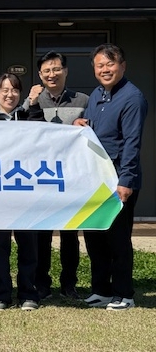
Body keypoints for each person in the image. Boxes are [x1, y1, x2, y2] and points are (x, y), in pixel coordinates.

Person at [74, 44, 147, 310]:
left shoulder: (132, 98)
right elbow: (94, 129)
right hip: (96, 177)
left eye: (110, 64)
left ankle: (124, 294)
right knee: (95, 236)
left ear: (122, 66)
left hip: (118, 179)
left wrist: (126, 180)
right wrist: (81, 123)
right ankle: (101, 290)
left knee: (117, 238)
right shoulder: (97, 94)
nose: (105, 69)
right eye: (100, 65)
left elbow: (132, 143)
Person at [24, 51, 89, 300]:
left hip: (72, 177)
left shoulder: (83, 99)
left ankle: (69, 284)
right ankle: (42, 283)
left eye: (56, 69)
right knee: (42, 234)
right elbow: (18, 126)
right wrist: (29, 102)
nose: (52, 74)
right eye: (46, 71)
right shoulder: (34, 100)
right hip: (41, 177)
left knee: (70, 234)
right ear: (40, 75)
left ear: (66, 71)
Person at [0, 73, 44, 311]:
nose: (10, 95)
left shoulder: (27, 116)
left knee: (28, 246)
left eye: (15, 90)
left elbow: (43, 133)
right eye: (5, 90)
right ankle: (1, 295)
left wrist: (34, 104)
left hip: (25, 192)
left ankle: (28, 293)